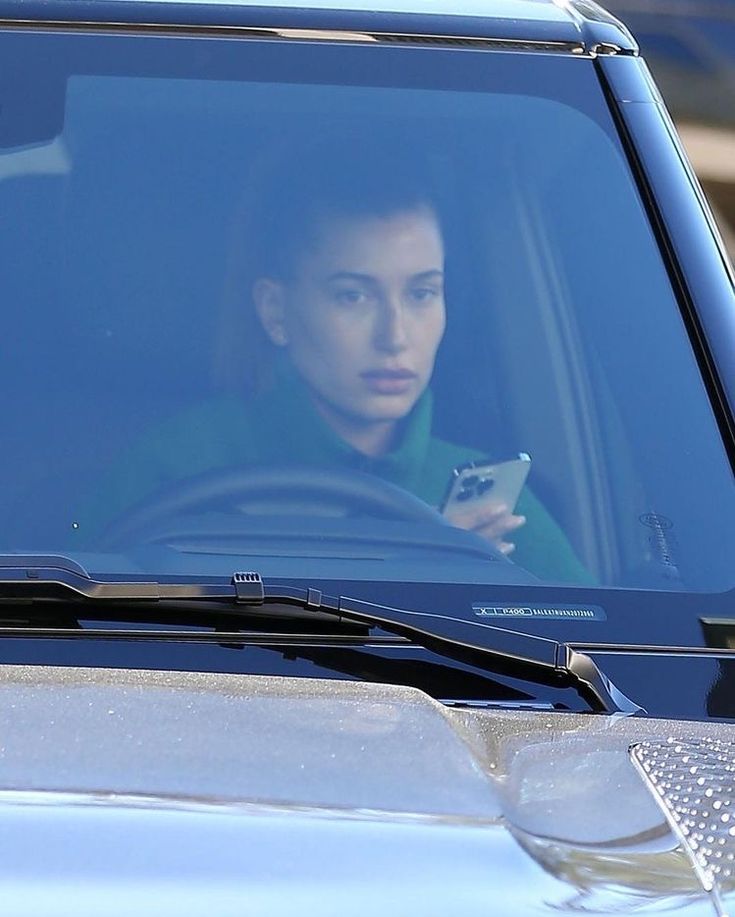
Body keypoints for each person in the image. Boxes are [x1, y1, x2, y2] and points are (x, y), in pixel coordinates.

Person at [74, 139, 591, 583]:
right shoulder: (170, 469)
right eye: (353, 296)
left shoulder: (495, 512)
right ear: (275, 310)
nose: (395, 336)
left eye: (421, 293)